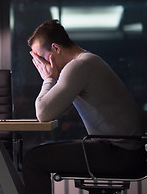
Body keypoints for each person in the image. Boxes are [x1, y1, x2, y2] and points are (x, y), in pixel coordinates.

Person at [23, 19, 146, 194]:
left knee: (33, 160)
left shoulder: (78, 66)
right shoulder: (87, 60)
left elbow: (43, 113)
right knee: (45, 149)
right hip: (127, 151)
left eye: (41, 58)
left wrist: (48, 79)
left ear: (56, 49)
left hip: (119, 154)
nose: (42, 65)